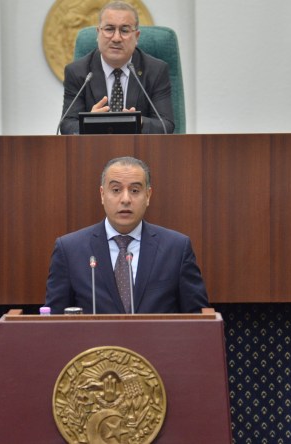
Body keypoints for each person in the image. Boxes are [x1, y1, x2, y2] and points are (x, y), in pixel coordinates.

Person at [45, 157, 208, 314]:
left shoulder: (176, 249)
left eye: (135, 190)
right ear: (102, 194)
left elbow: (199, 319)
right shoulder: (69, 250)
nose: (125, 199)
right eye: (116, 190)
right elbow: (53, 322)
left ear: (148, 195)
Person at [59, 2, 175, 135]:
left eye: (124, 31)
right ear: (98, 33)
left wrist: (139, 122)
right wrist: (89, 122)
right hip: (95, 146)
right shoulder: (77, 72)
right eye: (109, 29)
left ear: (136, 36)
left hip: (138, 147)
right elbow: (67, 125)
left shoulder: (156, 70)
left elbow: (166, 125)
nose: (116, 38)